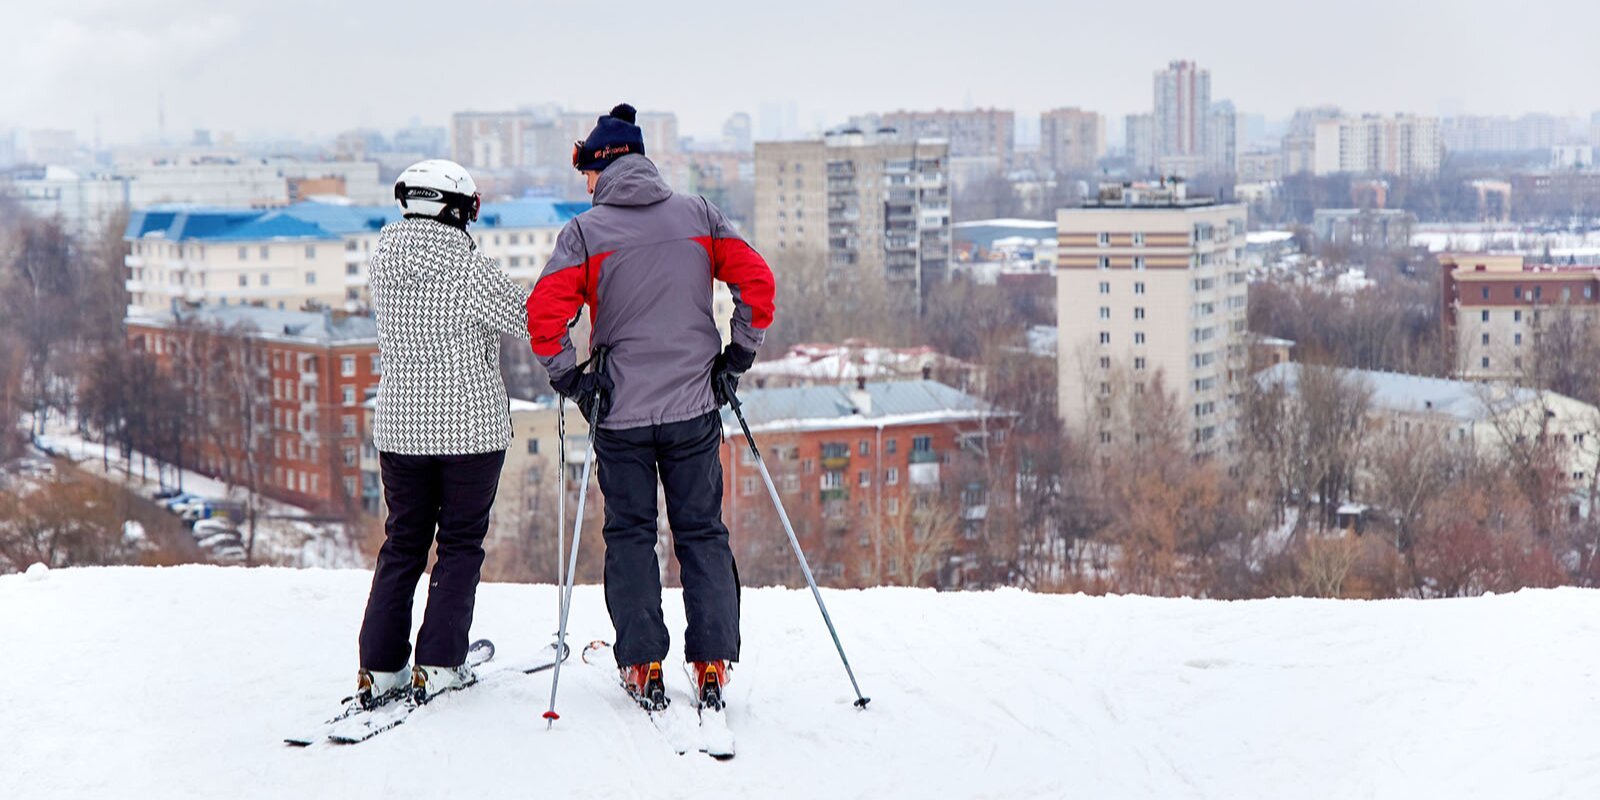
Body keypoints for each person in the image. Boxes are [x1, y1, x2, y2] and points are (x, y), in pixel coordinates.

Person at [527, 104, 776, 711]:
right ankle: (712, 660)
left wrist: (571, 381)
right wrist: (735, 357)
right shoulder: (699, 216)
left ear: (603, 167)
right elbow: (758, 284)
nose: (586, 187)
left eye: (587, 174)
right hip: (694, 407)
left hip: (619, 414)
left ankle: (642, 664)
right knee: (702, 532)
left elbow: (543, 315)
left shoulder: (586, 234)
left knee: (632, 535)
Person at [355, 158, 531, 708]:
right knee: (458, 546)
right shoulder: (465, 267)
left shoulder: (383, 256)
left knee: (402, 543)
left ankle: (380, 669)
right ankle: (440, 661)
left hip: (400, 430)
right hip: (468, 434)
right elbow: (527, 316)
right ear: (455, 208)